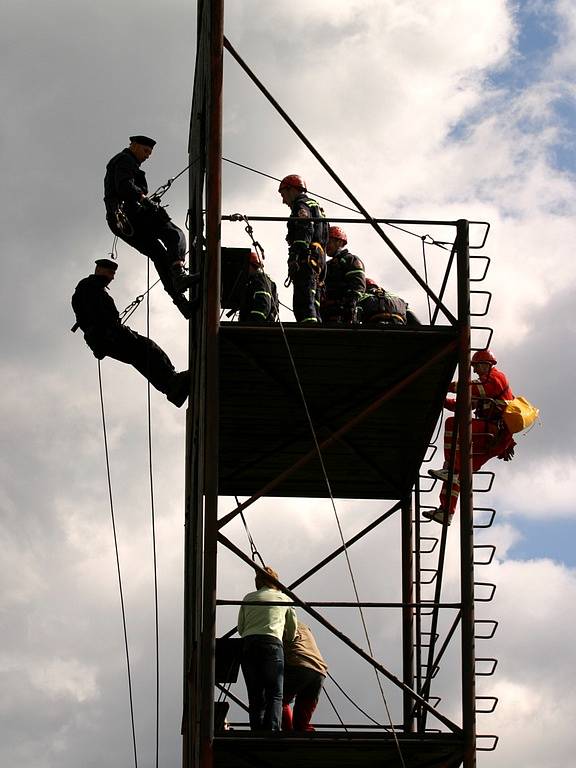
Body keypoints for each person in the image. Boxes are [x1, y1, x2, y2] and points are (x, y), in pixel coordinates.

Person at [71, 259, 190, 407]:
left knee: (141, 359)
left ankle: (171, 388)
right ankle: (172, 383)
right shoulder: (90, 286)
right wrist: (110, 329)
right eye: (110, 273)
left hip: (103, 338)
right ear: (100, 269)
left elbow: (89, 316)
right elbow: (96, 314)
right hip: (109, 335)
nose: (112, 277)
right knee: (148, 349)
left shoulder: (89, 288)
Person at [104, 135, 197, 319]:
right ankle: (179, 275)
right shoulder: (125, 159)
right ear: (134, 145)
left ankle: (182, 303)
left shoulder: (123, 162)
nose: (147, 156)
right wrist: (144, 200)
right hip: (132, 216)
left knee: (160, 256)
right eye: (145, 151)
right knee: (175, 234)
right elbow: (124, 186)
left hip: (120, 222)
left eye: (150, 153)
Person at [424, 349, 515, 525]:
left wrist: (442, 385)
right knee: (458, 472)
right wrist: (440, 398)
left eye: (475, 366)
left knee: (453, 424)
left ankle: (450, 469)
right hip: (493, 438)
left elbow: (467, 388)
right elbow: (462, 405)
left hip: (493, 433)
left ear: (485, 364)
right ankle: (446, 512)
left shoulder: (496, 379)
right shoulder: (486, 387)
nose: (473, 370)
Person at [237, 566, 297, 732]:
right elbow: (292, 632)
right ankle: (272, 730)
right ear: (276, 582)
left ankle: (256, 731)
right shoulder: (284, 598)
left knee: (255, 695)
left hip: (248, 645)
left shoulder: (247, 598)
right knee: (275, 693)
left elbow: (241, 629)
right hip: (271, 644)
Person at [278, 174, 329, 324]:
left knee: (303, 301)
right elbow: (323, 239)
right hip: (318, 261)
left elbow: (304, 228)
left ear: (291, 190)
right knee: (314, 301)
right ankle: (315, 327)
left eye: (283, 194)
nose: (283, 201)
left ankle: (309, 330)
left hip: (306, 259)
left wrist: (295, 256)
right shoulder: (317, 207)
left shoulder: (301, 205)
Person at [282, 622, 327, 732]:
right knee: (301, 724)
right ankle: (304, 735)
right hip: (319, 670)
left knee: (278, 701)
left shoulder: (279, 623)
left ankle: (288, 734)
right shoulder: (304, 626)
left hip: (299, 664)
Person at [320, 226, 366, 324]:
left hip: (343, 315)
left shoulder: (351, 260)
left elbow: (358, 286)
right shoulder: (327, 265)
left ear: (339, 242)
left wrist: (349, 306)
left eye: (329, 242)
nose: (326, 246)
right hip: (326, 314)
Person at [238, 252, 278, 322]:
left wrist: (251, 325)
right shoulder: (253, 282)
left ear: (250, 265)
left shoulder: (261, 280)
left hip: (258, 328)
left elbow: (263, 306)